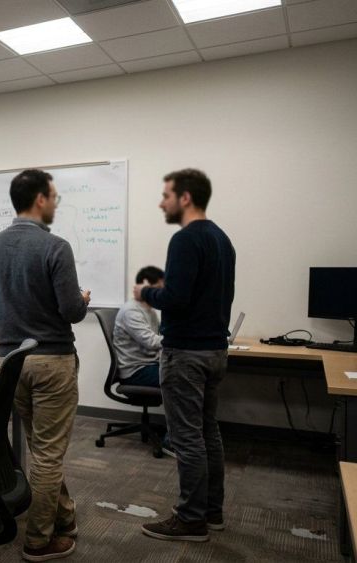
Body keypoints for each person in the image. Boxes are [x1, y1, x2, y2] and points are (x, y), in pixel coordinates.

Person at [0, 169, 90, 561]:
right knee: (48, 454)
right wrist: (83, 299)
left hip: (12, 364)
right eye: (54, 197)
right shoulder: (56, 247)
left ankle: (65, 517)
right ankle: (39, 541)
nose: (56, 203)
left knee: (41, 449)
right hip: (52, 362)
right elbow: (71, 311)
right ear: (40, 199)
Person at [135, 169, 236, 542]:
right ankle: (211, 512)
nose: (161, 203)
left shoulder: (185, 239)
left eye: (166, 195)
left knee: (187, 438)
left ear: (186, 198)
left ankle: (190, 520)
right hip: (214, 350)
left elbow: (176, 299)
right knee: (208, 433)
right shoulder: (222, 239)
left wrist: (146, 293)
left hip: (186, 354)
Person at [113, 265, 175, 457]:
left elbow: (160, 339)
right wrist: (179, 339)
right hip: (136, 371)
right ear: (145, 285)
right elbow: (151, 342)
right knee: (179, 380)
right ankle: (172, 439)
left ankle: (179, 434)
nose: (161, 293)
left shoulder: (150, 310)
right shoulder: (131, 311)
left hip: (149, 365)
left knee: (183, 373)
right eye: (159, 288)